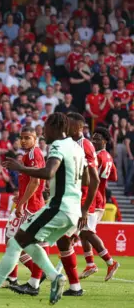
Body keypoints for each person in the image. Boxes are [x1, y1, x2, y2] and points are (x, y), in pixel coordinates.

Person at [0, 112, 87, 307]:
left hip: (58, 207)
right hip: (73, 211)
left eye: (45, 128)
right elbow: (87, 180)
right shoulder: (77, 148)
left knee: (15, 242)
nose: (43, 132)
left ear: (54, 127)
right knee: (26, 242)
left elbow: (48, 173)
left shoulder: (57, 146)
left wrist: (19, 168)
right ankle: (54, 276)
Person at [59, 112, 100, 296]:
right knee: (66, 240)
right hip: (69, 198)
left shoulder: (85, 146)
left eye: (69, 124)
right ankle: (68, 281)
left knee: (62, 239)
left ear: (79, 127)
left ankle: (45, 278)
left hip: (78, 202)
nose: (66, 127)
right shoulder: (71, 144)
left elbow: (94, 180)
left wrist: (85, 209)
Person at [4, 126, 47, 295]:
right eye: (21, 137)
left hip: (31, 207)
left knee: (16, 241)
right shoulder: (28, 155)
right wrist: (20, 197)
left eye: (27, 137)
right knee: (15, 241)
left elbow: (35, 182)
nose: (23, 140)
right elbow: (31, 181)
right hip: (30, 203)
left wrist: (22, 203)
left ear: (35, 139)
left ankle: (32, 278)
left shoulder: (33, 154)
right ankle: (32, 276)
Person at [79, 127, 119, 281]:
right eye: (92, 138)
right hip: (98, 198)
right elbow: (114, 177)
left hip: (93, 199)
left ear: (104, 141)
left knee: (87, 231)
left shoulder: (96, 157)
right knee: (83, 232)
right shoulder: (108, 157)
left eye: (97, 139)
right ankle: (90, 264)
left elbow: (89, 178)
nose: (93, 141)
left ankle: (111, 262)